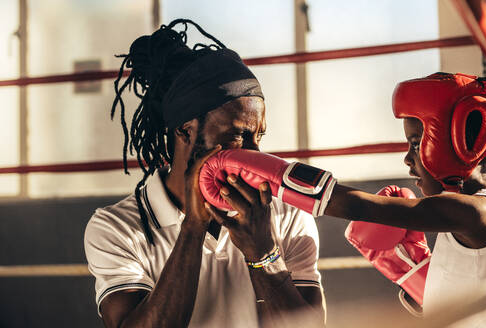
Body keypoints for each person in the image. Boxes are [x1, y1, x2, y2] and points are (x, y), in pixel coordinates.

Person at [84, 19, 325, 328]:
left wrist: (262, 251)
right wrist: (193, 229)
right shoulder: (118, 227)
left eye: (258, 137)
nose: (254, 154)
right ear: (186, 130)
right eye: (237, 136)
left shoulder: (286, 214)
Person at [200, 72, 486, 326]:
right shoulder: (465, 219)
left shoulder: (477, 212)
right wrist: (411, 276)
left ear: (461, 141)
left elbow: (355, 204)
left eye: (417, 144)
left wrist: (258, 170)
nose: (407, 158)